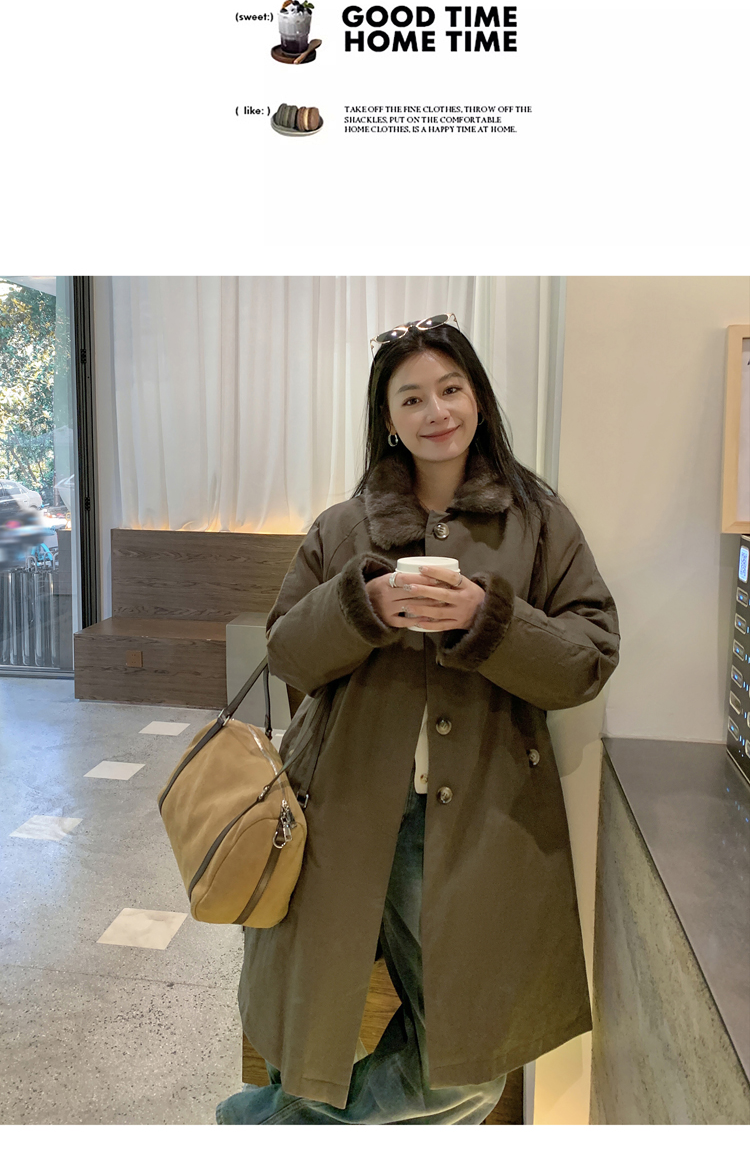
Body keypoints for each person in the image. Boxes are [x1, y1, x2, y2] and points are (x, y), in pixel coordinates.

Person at [216, 314, 620, 1125]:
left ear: (479, 399)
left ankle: (261, 1127)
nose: (436, 411)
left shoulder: (539, 521)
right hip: (346, 814)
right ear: (389, 419)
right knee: (317, 1033)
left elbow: (588, 656)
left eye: (451, 389)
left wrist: (486, 615)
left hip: (481, 826)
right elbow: (287, 652)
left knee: (468, 1069)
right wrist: (362, 604)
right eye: (412, 398)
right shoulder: (344, 526)